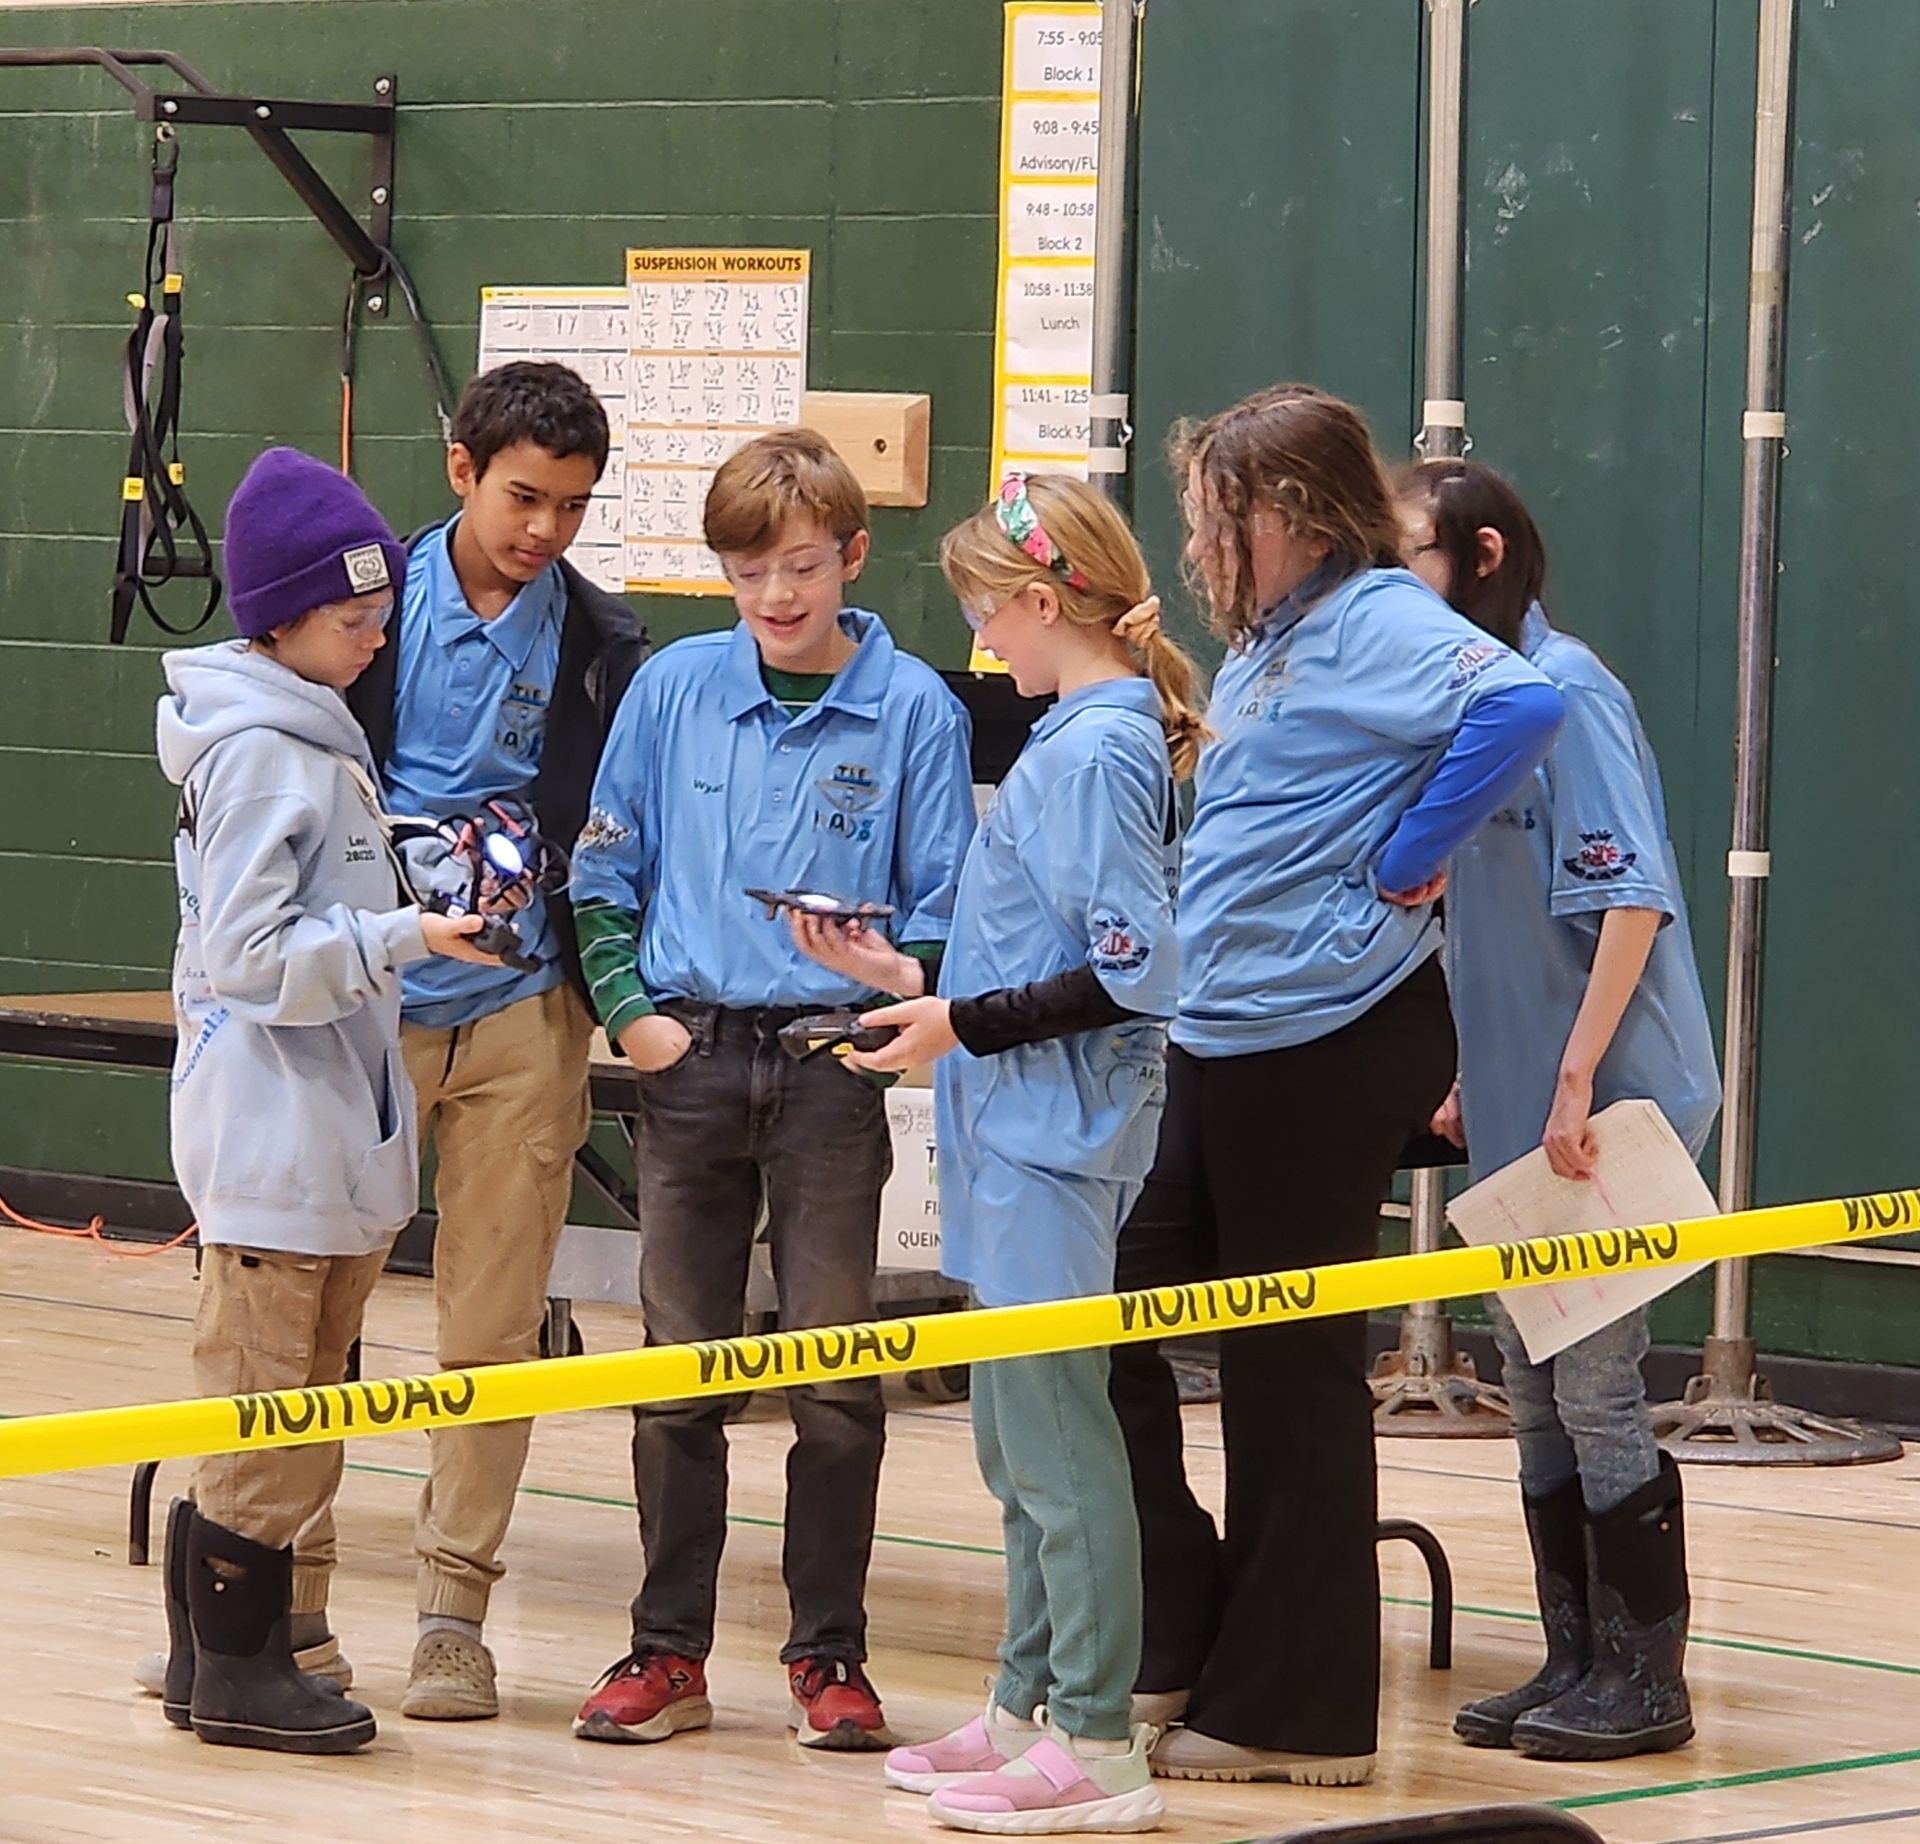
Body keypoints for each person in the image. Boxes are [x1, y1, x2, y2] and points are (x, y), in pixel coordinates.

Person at [1107, 384, 1566, 1787]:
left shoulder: (1377, 615)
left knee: (1288, 1365)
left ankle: (1296, 1713)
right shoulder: (1267, 641)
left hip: (1327, 1032)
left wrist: (1405, 857)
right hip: (1221, 1028)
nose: (1205, 542)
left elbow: (1520, 701)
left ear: (1295, 515)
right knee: (1109, 1310)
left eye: (1222, 515)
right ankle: (1180, 1625)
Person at [793, 475, 1206, 1832]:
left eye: (988, 619)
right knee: (1012, 1444)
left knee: (1058, 1443)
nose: (985, 647)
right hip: (1013, 1127)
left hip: (1052, 1138)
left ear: (1041, 602)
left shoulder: (1093, 748)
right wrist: (908, 975)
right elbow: (1031, 958)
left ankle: (1098, 1740)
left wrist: (956, 1021)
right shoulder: (1077, 736)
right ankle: (1029, 1704)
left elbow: (1134, 973)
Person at [567, 427, 976, 1750]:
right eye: (749, 573)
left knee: (836, 1380)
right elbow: (600, 875)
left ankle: (828, 1661)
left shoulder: (916, 708)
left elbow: (950, 913)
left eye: (799, 567)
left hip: (829, 1071)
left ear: (852, 556)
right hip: (688, 1062)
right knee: (677, 1374)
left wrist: (886, 981)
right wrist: (635, 1021)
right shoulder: (673, 688)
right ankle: (665, 1653)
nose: (776, 597)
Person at [153, 448, 499, 1753]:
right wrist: (399, 943)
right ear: (281, 615)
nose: (376, 635)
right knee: (273, 1412)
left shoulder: (313, 735)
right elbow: (247, 960)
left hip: (326, 1142)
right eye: (353, 616)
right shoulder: (257, 756)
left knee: (294, 1403)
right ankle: (242, 1670)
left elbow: (319, 900)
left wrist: (420, 881)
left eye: (381, 614)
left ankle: (208, 1658)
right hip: (274, 1144)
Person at [1399, 457, 1719, 1760]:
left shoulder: (1566, 692)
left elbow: (1628, 902)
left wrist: (1577, 1078)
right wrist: (1487, 1074)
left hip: (1612, 1097)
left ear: (1480, 555)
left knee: (1592, 1386)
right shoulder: (1462, 704)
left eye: (1408, 552)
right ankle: (1573, 1657)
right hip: (1525, 1099)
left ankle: (1650, 1680)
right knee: (1529, 1389)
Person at [343, 359, 645, 1720]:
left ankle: (452, 1612)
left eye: (574, 507)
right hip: (363, 1007)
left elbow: (612, 831)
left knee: (495, 1324)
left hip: (524, 1015)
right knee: (317, 1308)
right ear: (460, 468)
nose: (545, 530)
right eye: (525, 497)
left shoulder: (603, 644)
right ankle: (275, 1599)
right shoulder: (354, 607)